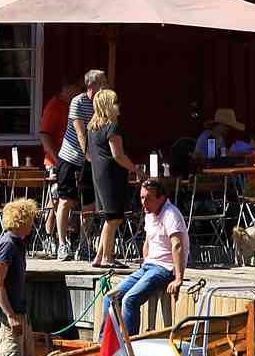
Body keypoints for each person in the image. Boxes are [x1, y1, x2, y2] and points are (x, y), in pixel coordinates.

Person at [114, 177, 187, 335]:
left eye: (148, 199)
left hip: (164, 268)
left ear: (161, 198)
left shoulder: (170, 215)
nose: (143, 203)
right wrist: (145, 262)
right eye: (141, 197)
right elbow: (148, 242)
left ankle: (130, 344)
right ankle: (105, 345)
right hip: (149, 266)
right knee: (112, 297)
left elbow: (178, 245)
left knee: (130, 300)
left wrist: (178, 278)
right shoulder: (149, 213)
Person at [49, 69, 102, 258]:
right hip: (70, 157)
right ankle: (63, 244)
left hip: (91, 159)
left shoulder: (101, 104)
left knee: (89, 204)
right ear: (91, 85)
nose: (106, 86)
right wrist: (88, 155)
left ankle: (84, 243)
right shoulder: (78, 101)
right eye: (102, 83)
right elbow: (81, 132)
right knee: (66, 200)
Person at [86, 88, 137, 268]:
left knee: (110, 217)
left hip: (98, 174)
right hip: (111, 175)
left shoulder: (92, 127)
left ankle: (100, 256)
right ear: (108, 106)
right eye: (115, 103)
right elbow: (118, 155)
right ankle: (107, 257)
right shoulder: (112, 126)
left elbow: (88, 155)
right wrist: (137, 170)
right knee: (114, 218)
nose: (118, 106)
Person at [0, 197, 39, 356]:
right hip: (6, 319)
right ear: (23, 221)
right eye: (31, 218)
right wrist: (10, 316)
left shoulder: (17, 243)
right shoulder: (8, 245)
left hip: (19, 314)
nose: (32, 223)